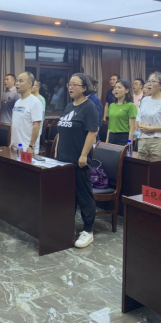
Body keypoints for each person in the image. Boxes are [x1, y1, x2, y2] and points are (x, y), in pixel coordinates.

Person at [56, 73, 99, 249]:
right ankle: (68, 225)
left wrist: (83, 155)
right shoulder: (69, 106)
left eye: (75, 84)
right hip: (63, 160)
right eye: (69, 84)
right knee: (67, 195)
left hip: (79, 160)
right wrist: (57, 151)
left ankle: (88, 230)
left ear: (84, 88)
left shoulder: (89, 108)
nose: (70, 87)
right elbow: (62, 131)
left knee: (84, 195)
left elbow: (92, 133)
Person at [136, 72, 161, 159]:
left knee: (157, 167)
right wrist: (142, 127)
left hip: (159, 141)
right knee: (141, 166)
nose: (149, 84)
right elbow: (138, 118)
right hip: (143, 139)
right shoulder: (145, 100)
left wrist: (151, 129)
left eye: (153, 81)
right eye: (148, 81)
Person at [11, 72, 43, 155]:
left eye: (20, 81)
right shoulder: (17, 102)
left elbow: (37, 125)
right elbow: (14, 123)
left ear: (29, 84)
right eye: (17, 81)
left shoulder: (35, 102)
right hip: (15, 147)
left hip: (27, 148)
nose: (17, 83)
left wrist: (31, 145)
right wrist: (11, 142)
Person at [106, 80, 137, 146]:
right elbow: (109, 126)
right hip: (111, 136)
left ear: (126, 90)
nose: (116, 89)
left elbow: (132, 128)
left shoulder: (130, 106)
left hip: (123, 137)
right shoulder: (112, 105)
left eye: (119, 87)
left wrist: (129, 142)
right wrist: (107, 141)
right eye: (115, 87)